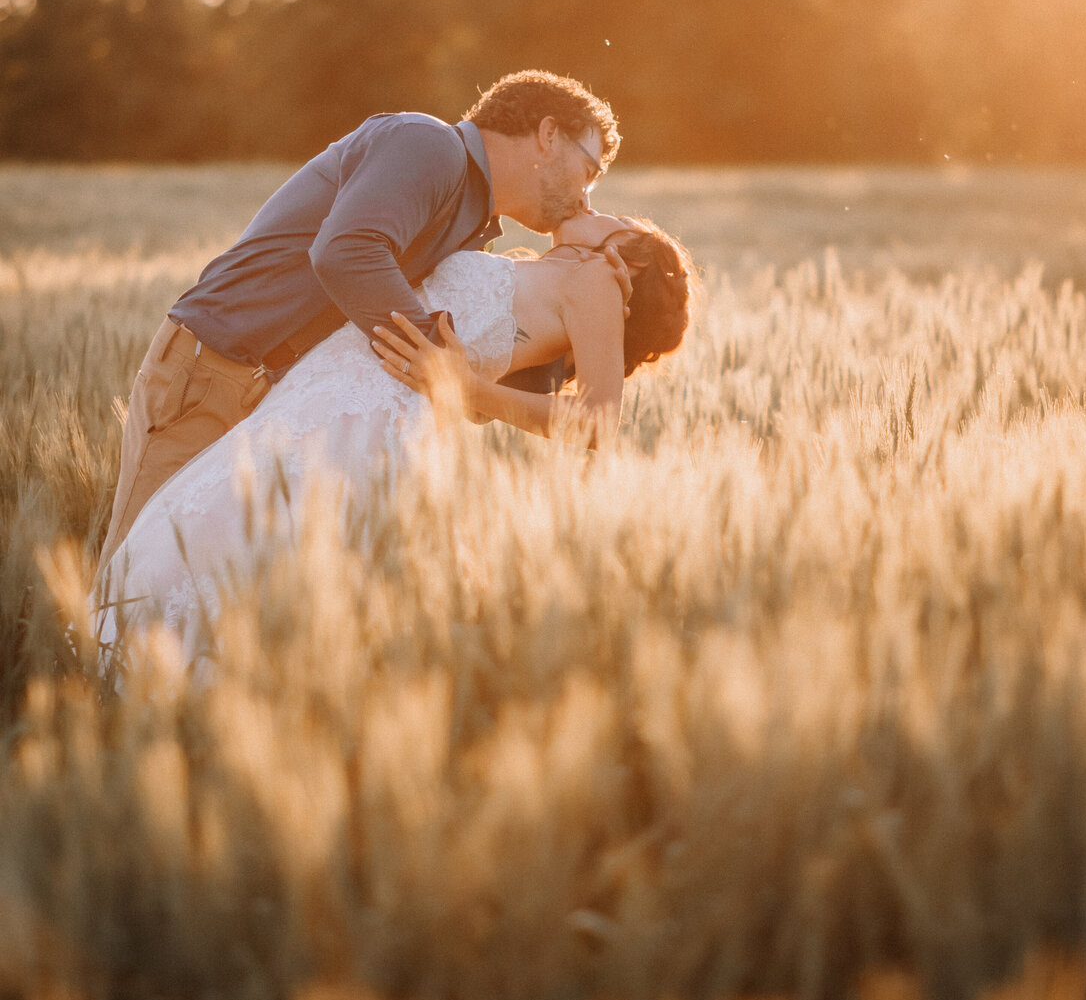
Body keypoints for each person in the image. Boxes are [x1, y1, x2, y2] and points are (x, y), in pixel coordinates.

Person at [92, 206, 692, 668]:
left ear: (630, 259)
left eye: (621, 222)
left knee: (258, 547)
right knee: (221, 531)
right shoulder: (549, 270)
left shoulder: (599, 281)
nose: (601, 207)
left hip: (369, 417)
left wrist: (467, 388)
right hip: (317, 395)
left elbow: (597, 421)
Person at [95, 69, 624, 581]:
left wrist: (612, 280)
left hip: (275, 403)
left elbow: (466, 390)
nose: (586, 196)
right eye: (591, 170)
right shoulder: (429, 145)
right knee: (133, 578)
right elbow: (347, 251)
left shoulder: (473, 222)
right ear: (548, 135)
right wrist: (439, 358)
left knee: (209, 586)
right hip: (213, 370)